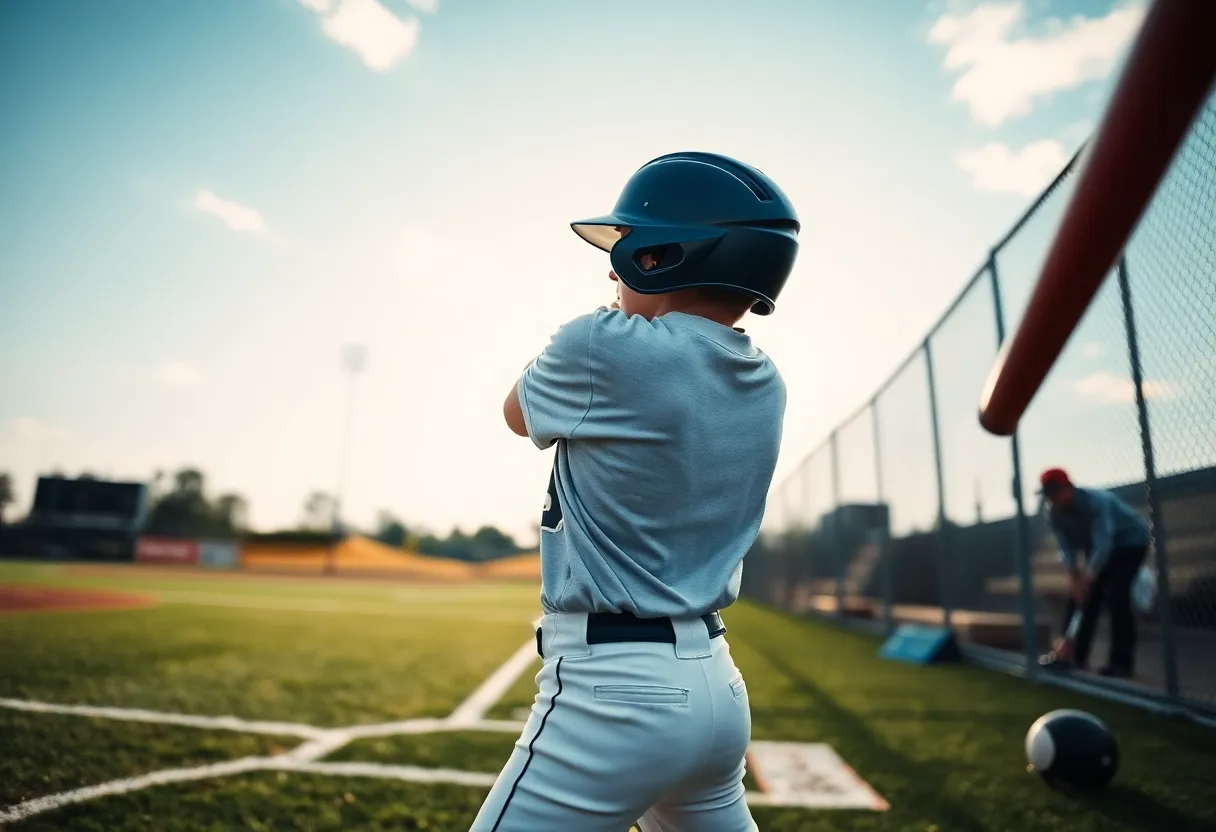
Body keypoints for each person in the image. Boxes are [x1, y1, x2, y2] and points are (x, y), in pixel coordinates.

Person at [470, 152, 799, 832]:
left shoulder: (600, 344)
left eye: (628, 251)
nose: (615, 270)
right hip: (715, 685)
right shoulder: (765, 380)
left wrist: (608, 315)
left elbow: (514, 412)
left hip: (613, 691)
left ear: (662, 257)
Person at [1037, 467, 1151, 679]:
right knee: (1081, 598)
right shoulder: (1053, 512)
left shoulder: (1097, 502)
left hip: (1129, 543)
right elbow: (1066, 547)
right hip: (1097, 547)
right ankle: (1073, 657)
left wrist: (1087, 578)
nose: (1053, 499)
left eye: (1056, 492)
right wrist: (1074, 576)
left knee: (1118, 595)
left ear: (1069, 487)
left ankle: (1121, 664)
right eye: (1048, 495)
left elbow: (1104, 545)